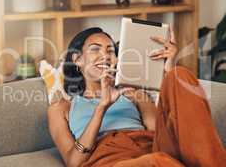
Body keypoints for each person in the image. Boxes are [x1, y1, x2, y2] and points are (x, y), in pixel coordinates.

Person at [47, 27, 226, 167]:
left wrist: (169, 70)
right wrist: (102, 107)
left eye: (110, 51)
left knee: (180, 74)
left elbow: (162, 133)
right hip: (110, 159)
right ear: (77, 59)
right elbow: (73, 162)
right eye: (95, 49)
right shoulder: (62, 108)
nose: (105, 56)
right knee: (157, 162)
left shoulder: (133, 93)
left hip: (150, 148)